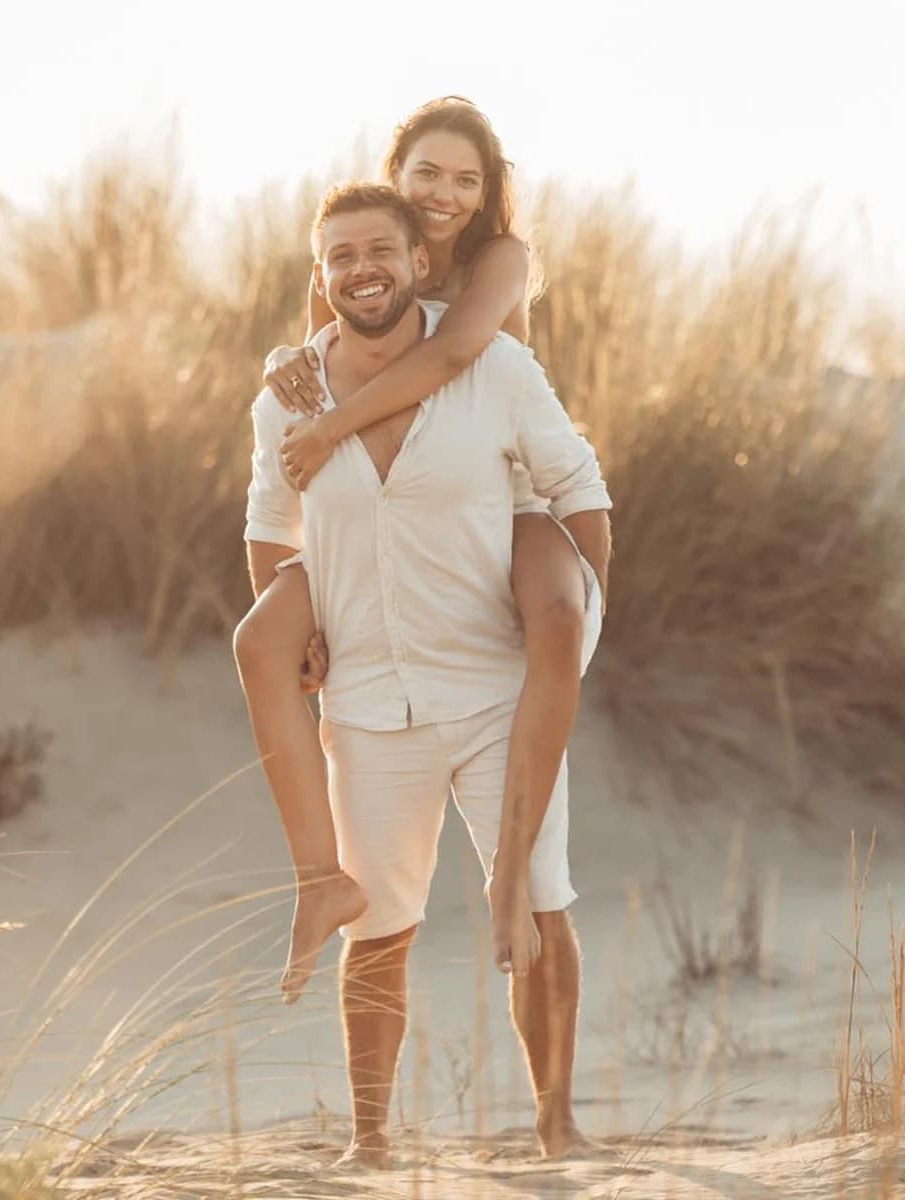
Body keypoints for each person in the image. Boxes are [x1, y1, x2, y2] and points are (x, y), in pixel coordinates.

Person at [243, 182, 611, 1165]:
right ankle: (372, 1140)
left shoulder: (492, 364)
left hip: (495, 690)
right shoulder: (288, 391)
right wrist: (303, 621)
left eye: (379, 252)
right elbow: (267, 524)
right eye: (340, 258)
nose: (362, 270)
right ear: (322, 278)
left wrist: (587, 615)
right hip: (368, 705)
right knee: (381, 928)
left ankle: (557, 1122)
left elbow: (574, 478)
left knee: (538, 898)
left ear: (416, 262)